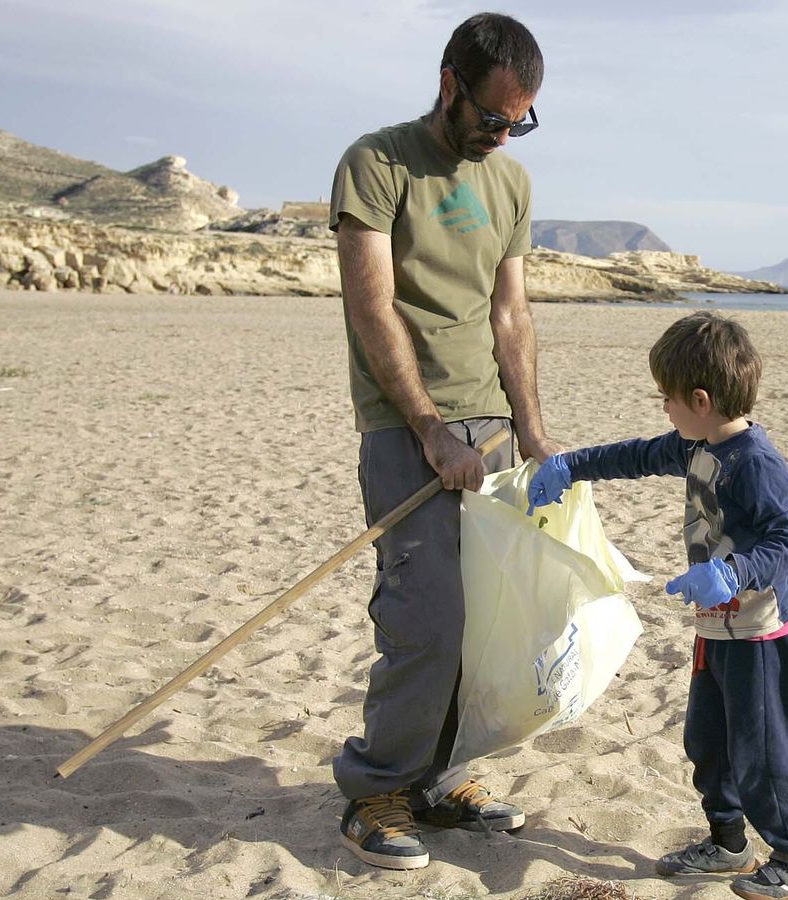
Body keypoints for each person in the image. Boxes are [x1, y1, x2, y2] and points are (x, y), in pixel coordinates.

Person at [326, 12, 561, 870]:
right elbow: (371, 307)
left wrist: (532, 434)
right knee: (424, 618)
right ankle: (376, 791)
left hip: (489, 429)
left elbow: (511, 314)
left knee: (484, 624)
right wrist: (428, 427)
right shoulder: (377, 163)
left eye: (519, 123)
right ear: (449, 83)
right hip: (406, 425)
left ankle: (442, 777)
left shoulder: (511, 183)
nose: (501, 136)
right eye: (493, 117)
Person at [527, 312, 788, 899]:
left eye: (666, 398)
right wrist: (570, 466)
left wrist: (733, 572)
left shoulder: (755, 461)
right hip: (716, 628)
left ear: (700, 399)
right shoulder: (697, 443)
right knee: (707, 742)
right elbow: (637, 455)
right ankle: (728, 845)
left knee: (762, 751)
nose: (663, 409)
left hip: (760, 630)